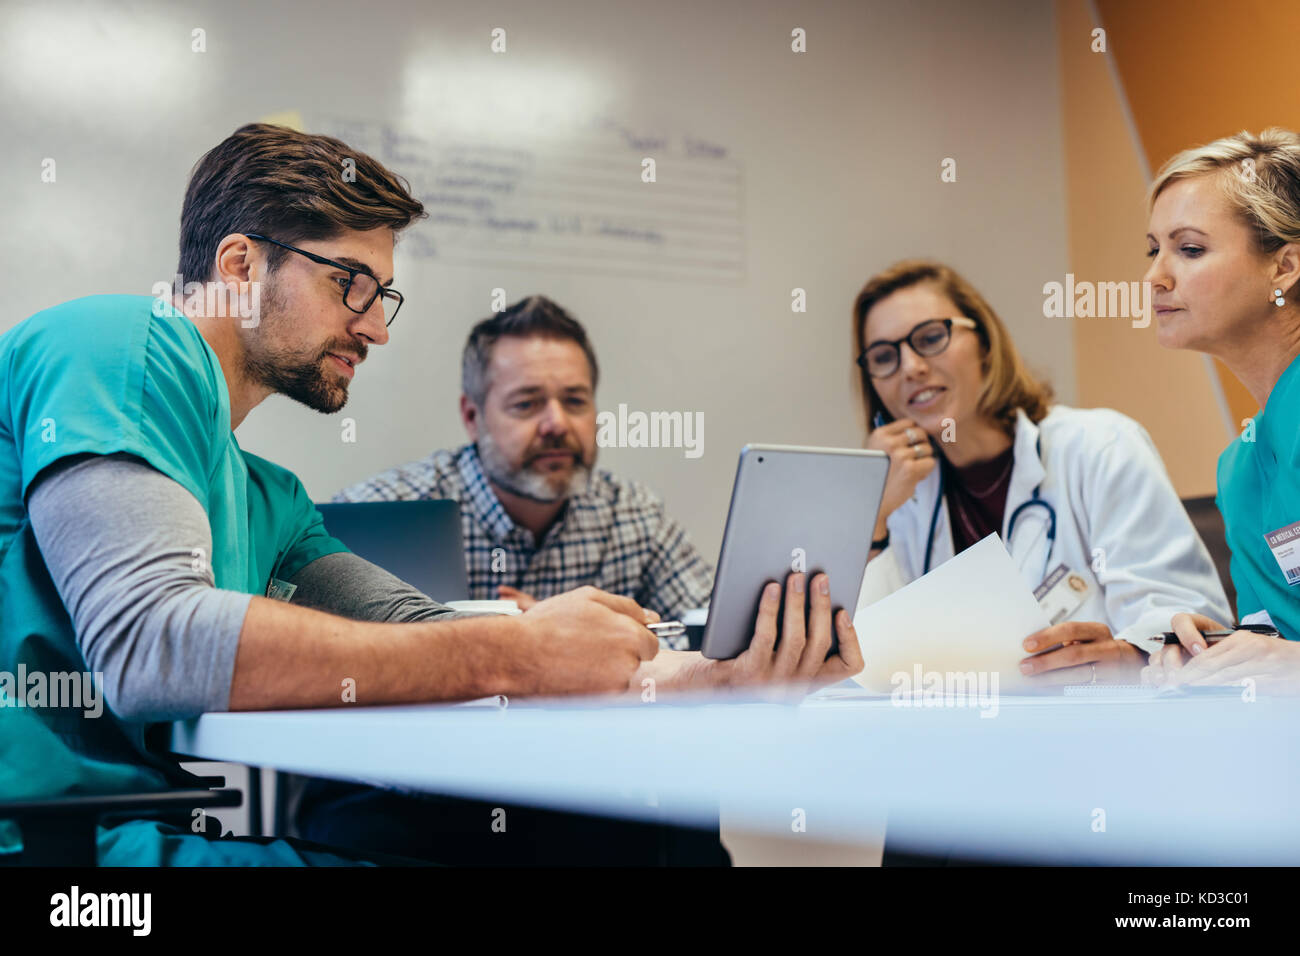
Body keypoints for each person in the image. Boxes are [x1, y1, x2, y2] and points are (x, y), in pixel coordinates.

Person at [0, 123, 862, 866]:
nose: (375, 326)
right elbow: (151, 643)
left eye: (384, 295)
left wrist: (720, 678)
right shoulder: (118, 342)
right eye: (352, 283)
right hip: (53, 847)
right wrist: (520, 652)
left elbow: (422, 635)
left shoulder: (272, 501)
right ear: (238, 264)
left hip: (134, 832)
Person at [853, 259, 1230, 686]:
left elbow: (1188, 622)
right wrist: (874, 513)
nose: (910, 367)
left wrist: (1126, 657)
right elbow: (867, 666)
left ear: (985, 343)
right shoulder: (900, 501)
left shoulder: (1098, 447)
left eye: (931, 337)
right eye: (884, 357)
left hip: (1109, 730)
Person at [331, 295, 712, 639]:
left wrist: (585, 638)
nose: (557, 424)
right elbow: (331, 655)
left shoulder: (634, 514)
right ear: (472, 416)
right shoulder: (378, 515)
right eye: (527, 404)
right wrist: (527, 641)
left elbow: (716, 638)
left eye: (575, 401)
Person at [1139, 128, 1300, 695]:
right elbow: (1278, 640)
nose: (1155, 276)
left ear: (1284, 267)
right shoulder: (1240, 469)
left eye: (1189, 249)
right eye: (1153, 249)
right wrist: (1223, 650)